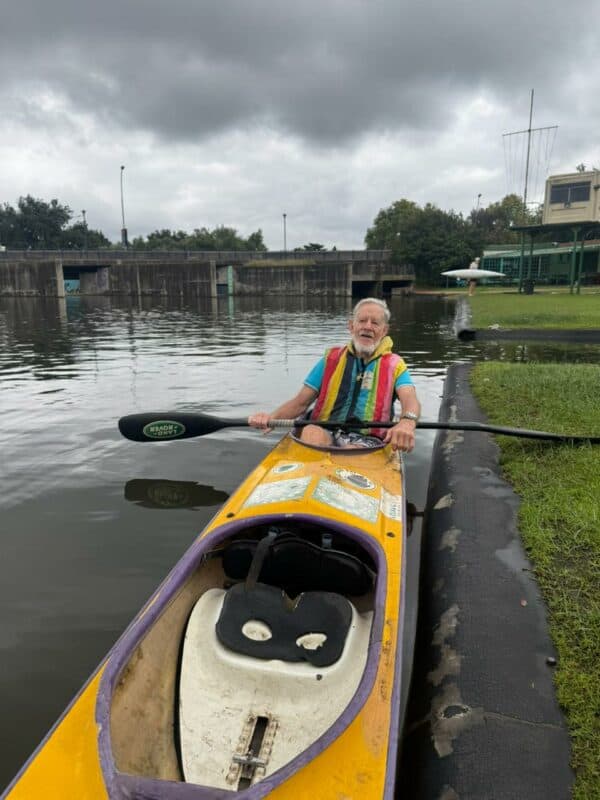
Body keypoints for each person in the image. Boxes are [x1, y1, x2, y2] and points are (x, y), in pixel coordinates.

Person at [248, 298, 421, 452]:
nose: (367, 326)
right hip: (325, 430)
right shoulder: (330, 359)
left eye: (375, 323)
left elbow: (410, 400)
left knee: (352, 451)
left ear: (384, 331)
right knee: (310, 431)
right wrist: (271, 418)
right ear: (351, 326)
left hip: (368, 441)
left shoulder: (395, 364)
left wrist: (407, 422)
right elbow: (300, 403)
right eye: (362, 321)